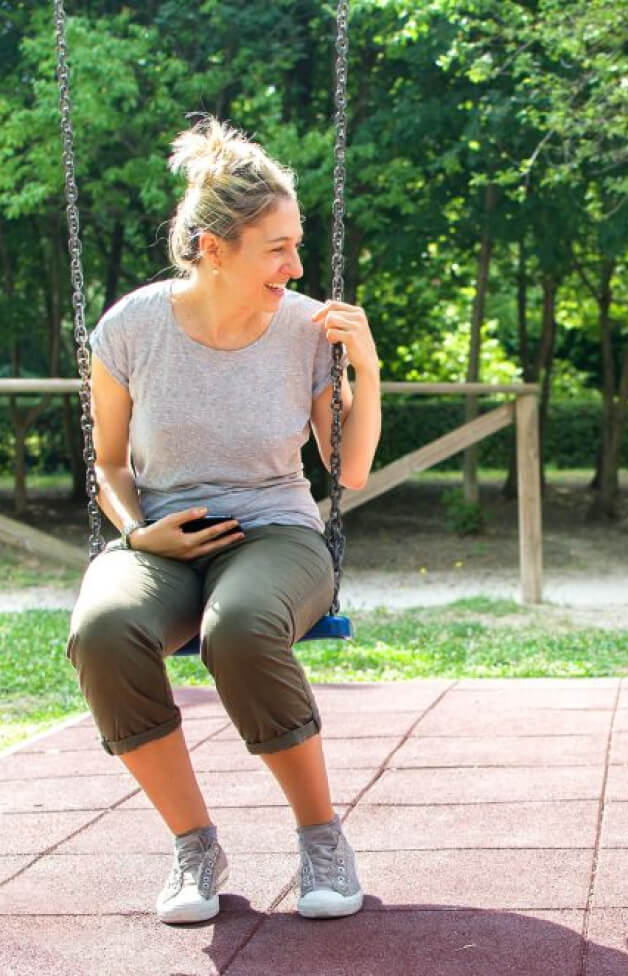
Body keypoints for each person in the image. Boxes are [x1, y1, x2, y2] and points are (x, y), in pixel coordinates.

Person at [66, 117, 381, 923]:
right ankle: (194, 843)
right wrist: (138, 534)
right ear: (213, 246)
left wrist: (366, 368)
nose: (296, 265)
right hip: (164, 537)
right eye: (276, 247)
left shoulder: (307, 329)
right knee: (102, 631)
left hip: (278, 531)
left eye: (297, 244)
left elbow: (345, 469)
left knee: (237, 628)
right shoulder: (130, 328)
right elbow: (105, 463)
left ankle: (320, 836)